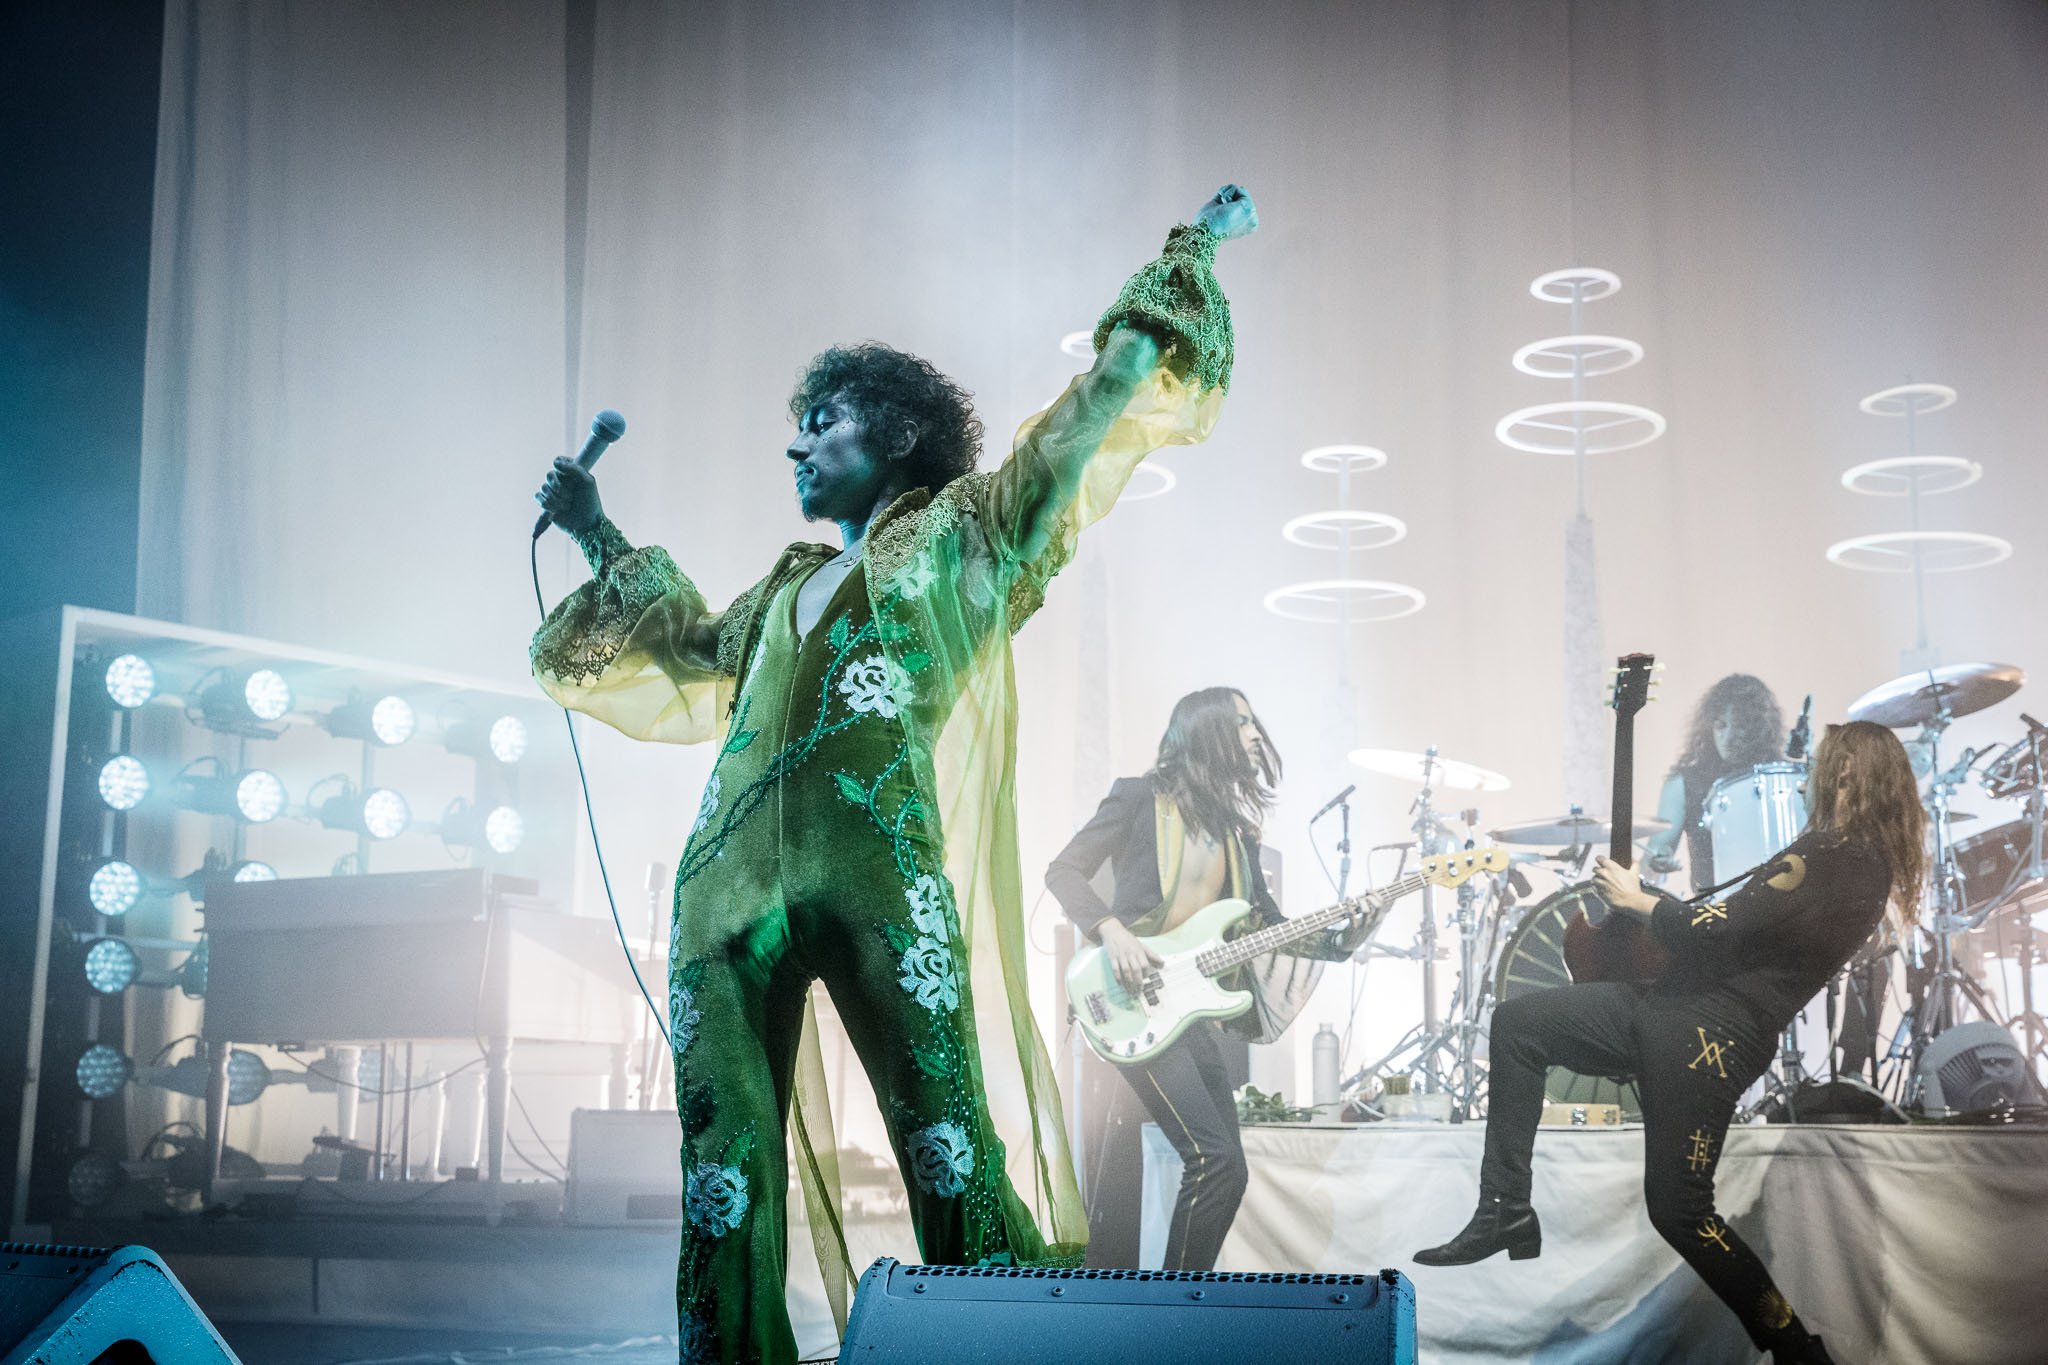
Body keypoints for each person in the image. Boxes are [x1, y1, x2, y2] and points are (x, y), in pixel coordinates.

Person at [529, 187, 1257, 1363]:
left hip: (877, 881)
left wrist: (1192, 248)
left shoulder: (966, 540)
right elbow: (684, 645)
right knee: (721, 1169)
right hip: (719, 901)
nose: (796, 441)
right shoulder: (778, 589)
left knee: (944, 1139)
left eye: (823, 418)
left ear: (900, 437)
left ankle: (1000, 1345)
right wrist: (597, 531)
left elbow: (1092, 405)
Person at [1412, 720, 1924, 1363]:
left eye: (1826, 762)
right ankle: (1506, 1207)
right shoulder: (1862, 866)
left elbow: (1717, 929)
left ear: (1847, 771)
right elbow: (1736, 933)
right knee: (1520, 1026)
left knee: (1682, 1211)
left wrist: (1637, 900)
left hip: (1707, 1031)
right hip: (1676, 1011)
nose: (1815, 772)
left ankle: (1797, 1351)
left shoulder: (1830, 856)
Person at [1046, 688, 1363, 1272]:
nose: (1253, 733)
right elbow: (1063, 870)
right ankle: (1177, 1311)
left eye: (1252, 722)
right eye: (1240, 721)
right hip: (1129, 1000)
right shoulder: (1139, 799)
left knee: (1227, 1169)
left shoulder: (1238, 835)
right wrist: (1111, 930)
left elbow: (1268, 924)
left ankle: (1173, 1299)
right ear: (1208, 731)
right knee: (1211, 1159)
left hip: (1190, 1013)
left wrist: (1344, 939)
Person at [1644, 673, 1787, 892]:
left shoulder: (1782, 778)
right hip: (1712, 914)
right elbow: (1650, 866)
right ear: (1708, 727)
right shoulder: (1683, 783)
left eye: (1740, 726)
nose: (1728, 738)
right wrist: (1657, 861)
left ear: (1759, 728)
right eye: (1720, 726)